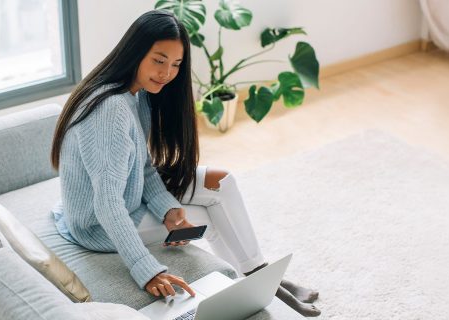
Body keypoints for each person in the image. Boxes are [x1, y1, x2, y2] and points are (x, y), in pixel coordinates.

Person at [49, 10, 320, 317]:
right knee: (209, 215)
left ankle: (264, 274)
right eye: (159, 60)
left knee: (222, 181)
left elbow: (145, 169)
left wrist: (166, 206)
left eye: (176, 64)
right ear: (135, 52)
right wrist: (146, 270)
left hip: (130, 195)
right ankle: (262, 286)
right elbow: (107, 203)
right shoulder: (110, 110)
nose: (167, 73)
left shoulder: (133, 95)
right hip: (98, 225)